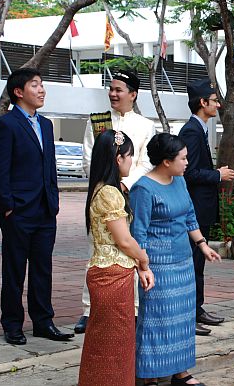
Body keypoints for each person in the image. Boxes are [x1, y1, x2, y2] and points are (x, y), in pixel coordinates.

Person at [0, 67, 73, 345]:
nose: (41, 90)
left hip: (45, 209)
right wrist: (7, 207)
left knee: (42, 268)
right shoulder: (6, 124)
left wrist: (54, 200)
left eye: (42, 85)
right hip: (18, 211)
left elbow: (49, 166)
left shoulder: (46, 124)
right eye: (35, 85)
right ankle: (12, 324)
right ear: (18, 92)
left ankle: (42, 322)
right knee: (14, 269)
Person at [130, 133, 222, 386]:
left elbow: (189, 217)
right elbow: (138, 233)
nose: (187, 163)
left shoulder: (179, 181)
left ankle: (180, 373)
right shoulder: (143, 189)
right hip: (158, 266)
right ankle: (148, 376)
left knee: (182, 320)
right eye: (183, 158)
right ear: (166, 161)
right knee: (156, 321)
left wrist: (202, 245)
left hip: (183, 262)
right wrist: (143, 267)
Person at [75, 70, 156, 334]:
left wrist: (126, 184)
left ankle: (130, 305)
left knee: (128, 246)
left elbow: (145, 161)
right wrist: (108, 184)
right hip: (102, 193)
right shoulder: (97, 121)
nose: (113, 94)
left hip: (133, 194)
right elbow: (89, 157)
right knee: (97, 247)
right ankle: (89, 310)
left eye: (119, 89)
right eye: (111, 89)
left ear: (133, 94)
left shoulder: (145, 125)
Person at [78, 130, 155, 386]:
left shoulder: (103, 189)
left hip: (107, 273)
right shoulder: (110, 193)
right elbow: (124, 240)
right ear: (118, 157)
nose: (131, 161)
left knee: (104, 344)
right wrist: (143, 260)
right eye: (130, 155)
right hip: (112, 276)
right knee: (115, 347)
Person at [178, 78, 234, 336]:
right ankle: (189, 314)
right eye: (214, 101)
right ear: (203, 103)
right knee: (193, 262)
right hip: (195, 207)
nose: (218, 104)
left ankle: (197, 309)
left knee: (198, 262)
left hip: (202, 207)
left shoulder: (198, 129)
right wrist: (217, 175)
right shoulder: (191, 131)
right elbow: (188, 172)